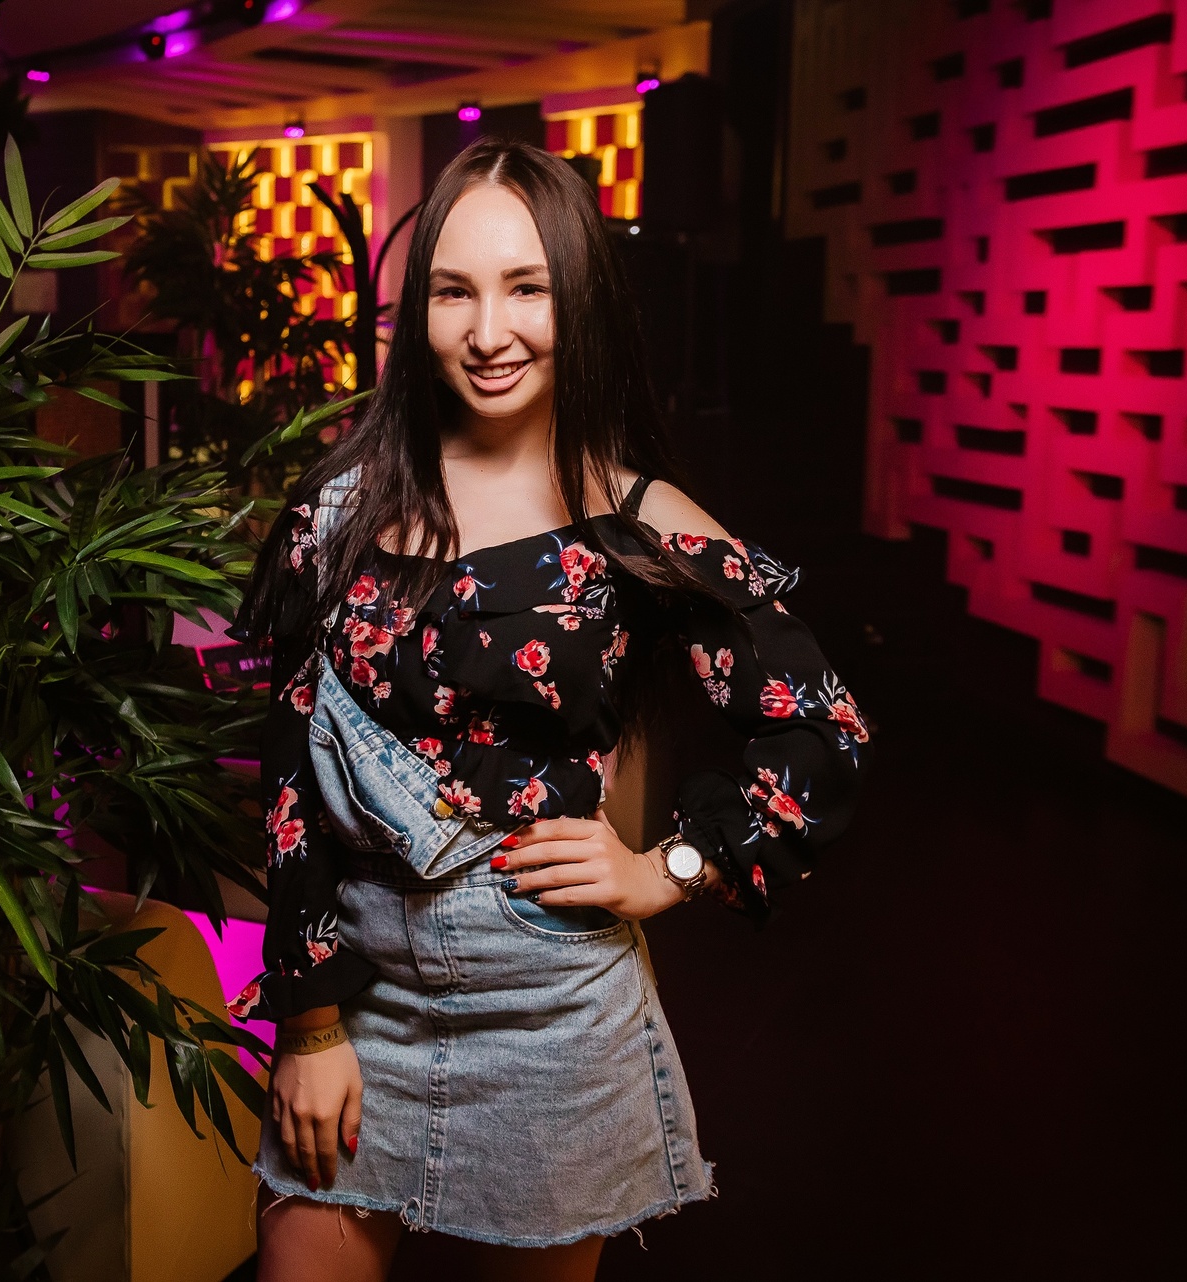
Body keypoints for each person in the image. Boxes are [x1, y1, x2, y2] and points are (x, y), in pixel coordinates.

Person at [226, 136, 872, 1282]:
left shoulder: (636, 520)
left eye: (527, 287)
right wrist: (309, 1024)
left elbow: (824, 729)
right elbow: (292, 780)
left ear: (580, 297)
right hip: (361, 1005)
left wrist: (669, 869)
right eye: (454, 292)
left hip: (553, 1009)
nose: (490, 331)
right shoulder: (338, 509)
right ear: (418, 312)